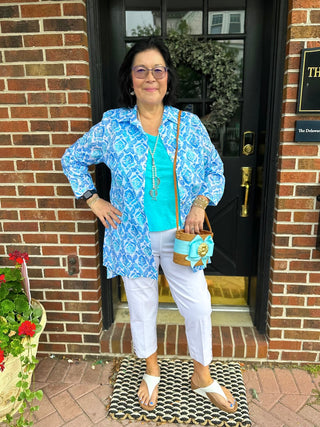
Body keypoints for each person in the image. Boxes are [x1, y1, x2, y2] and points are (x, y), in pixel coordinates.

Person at [61, 37, 237, 414]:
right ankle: (151, 372)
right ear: (130, 80)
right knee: (142, 309)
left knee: (200, 307)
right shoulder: (113, 128)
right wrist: (93, 199)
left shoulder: (187, 125)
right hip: (131, 236)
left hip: (181, 237)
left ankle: (202, 375)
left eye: (158, 70)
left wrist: (200, 203)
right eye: (141, 70)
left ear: (169, 80)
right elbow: (72, 158)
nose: (150, 77)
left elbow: (215, 169)